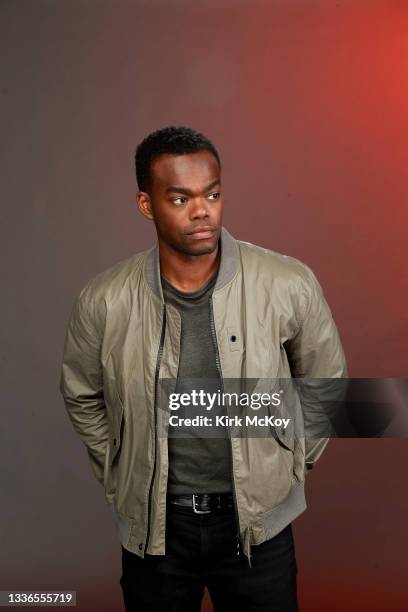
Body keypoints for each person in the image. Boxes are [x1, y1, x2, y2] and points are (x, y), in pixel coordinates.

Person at [59, 126, 348, 611]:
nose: (202, 211)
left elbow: (326, 385)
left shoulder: (287, 283)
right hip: (156, 531)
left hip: (258, 528)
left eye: (212, 194)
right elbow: (82, 394)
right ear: (146, 204)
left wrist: (291, 461)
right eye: (180, 198)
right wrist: (119, 470)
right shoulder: (104, 300)